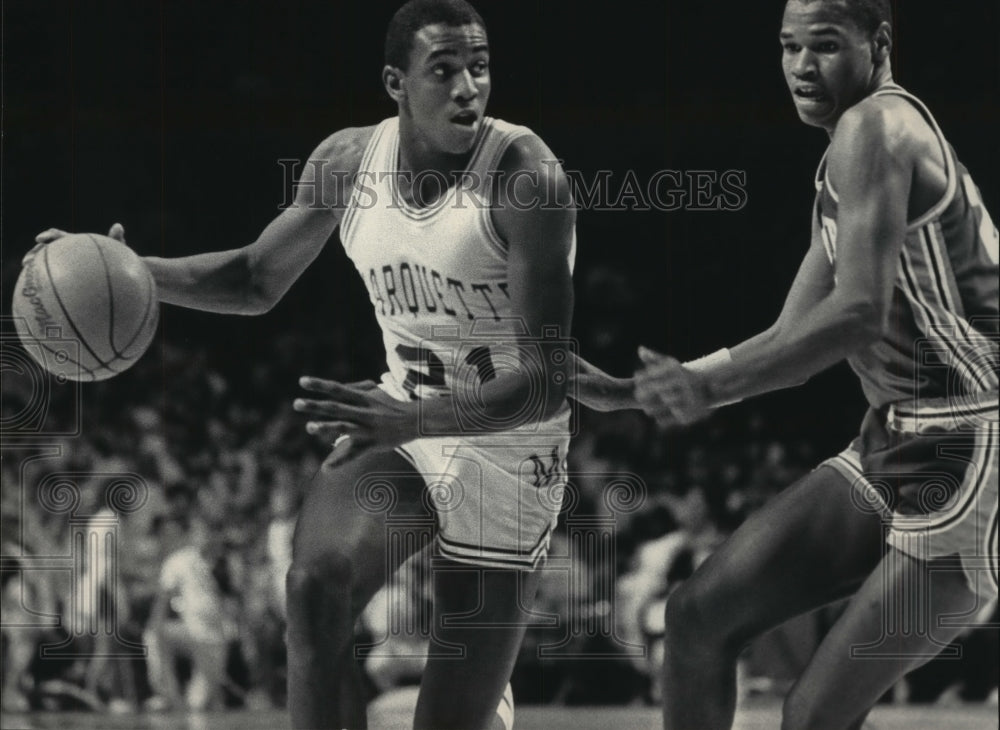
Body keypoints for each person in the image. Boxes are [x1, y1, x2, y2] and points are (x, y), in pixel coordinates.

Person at [34, 1, 573, 727]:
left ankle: (484, 701)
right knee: (313, 587)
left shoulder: (528, 180)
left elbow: (545, 381)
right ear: (395, 82)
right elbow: (257, 278)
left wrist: (409, 417)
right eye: (443, 71)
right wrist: (125, 269)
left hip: (508, 450)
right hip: (404, 429)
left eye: (479, 69)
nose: (468, 88)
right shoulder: (349, 164)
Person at [575, 1, 998, 728]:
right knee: (698, 616)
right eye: (788, 46)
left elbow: (858, 312)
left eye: (826, 46)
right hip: (896, 436)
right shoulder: (845, 155)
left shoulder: (878, 129)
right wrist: (640, 392)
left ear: (880, 44)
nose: (802, 66)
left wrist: (705, 390)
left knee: (812, 716)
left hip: (974, 444)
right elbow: (794, 338)